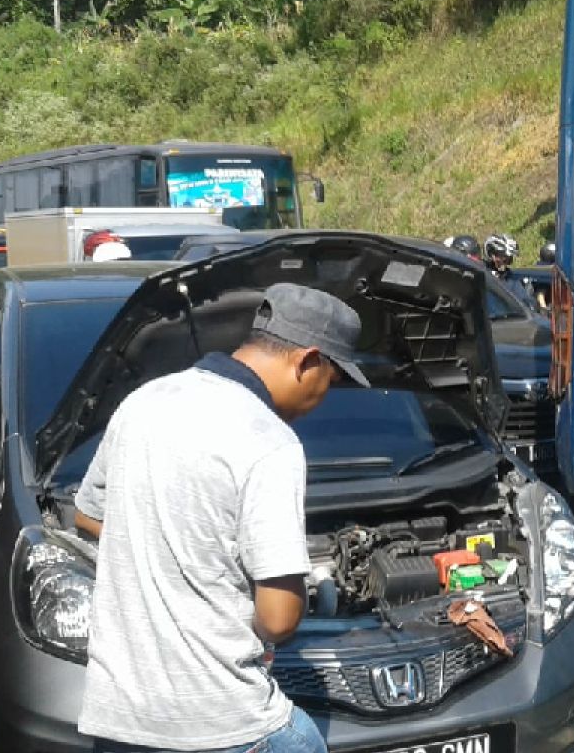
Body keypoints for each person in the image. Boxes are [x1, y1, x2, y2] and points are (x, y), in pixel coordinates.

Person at [73, 283, 369, 753]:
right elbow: (277, 618)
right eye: (332, 379)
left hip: (122, 721)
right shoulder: (267, 438)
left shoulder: (144, 402)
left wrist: (173, 555)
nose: (326, 394)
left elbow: (88, 517)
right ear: (308, 361)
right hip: (226, 725)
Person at [484, 233, 537, 309]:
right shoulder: (481, 273)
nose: (505, 263)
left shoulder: (510, 278)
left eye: (509, 259)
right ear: (492, 255)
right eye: (503, 258)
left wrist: (531, 305)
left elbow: (523, 298)